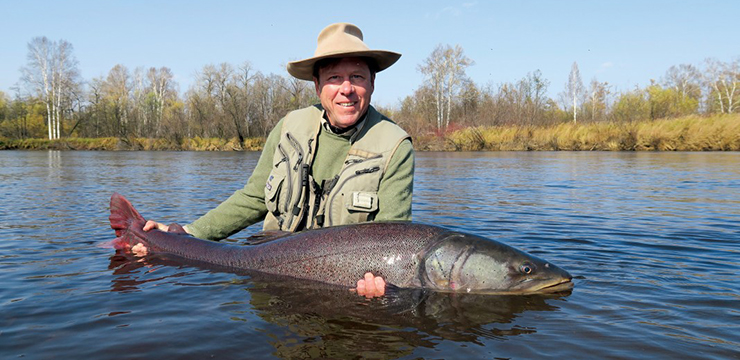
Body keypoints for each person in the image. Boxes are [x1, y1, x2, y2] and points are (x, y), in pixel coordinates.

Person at [143, 23, 414, 298]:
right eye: (334, 78)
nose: (346, 89)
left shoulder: (395, 145)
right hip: (272, 281)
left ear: (372, 83)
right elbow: (255, 197)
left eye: (357, 76)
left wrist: (387, 287)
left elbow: (394, 238)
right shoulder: (288, 127)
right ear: (317, 85)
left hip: (344, 290)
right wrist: (187, 233)